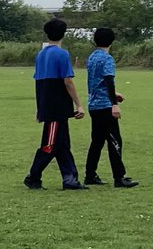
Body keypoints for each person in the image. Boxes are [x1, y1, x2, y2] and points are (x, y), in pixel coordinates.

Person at [24, 18, 85, 190]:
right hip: (57, 107)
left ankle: (70, 179)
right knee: (50, 145)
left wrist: (39, 107)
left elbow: (39, 83)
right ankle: (33, 176)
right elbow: (67, 81)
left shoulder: (41, 54)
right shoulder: (62, 54)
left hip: (48, 105)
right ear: (63, 34)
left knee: (62, 144)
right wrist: (79, 104)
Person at [84, 27, 138, 188]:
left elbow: (97, 82)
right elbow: (108, 80)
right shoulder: (107, 59)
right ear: (112, 41)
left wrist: (114, 94)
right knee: (115, 140)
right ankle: (119, 177)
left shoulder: (92, 57)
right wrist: (114, 103)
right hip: (105, 106)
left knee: (97, 141)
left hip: (93, 104)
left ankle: (90, 174)